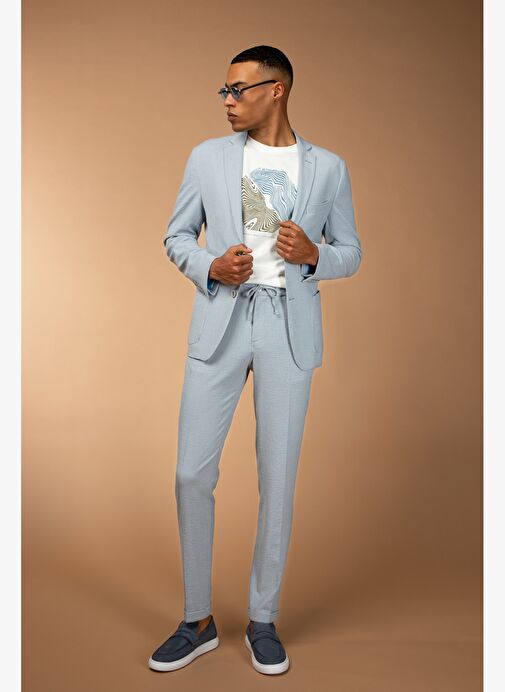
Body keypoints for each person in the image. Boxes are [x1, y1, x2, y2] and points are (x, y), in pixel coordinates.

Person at [149, 44, 362, 676]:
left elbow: (351, 250)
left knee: (278, 478)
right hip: (222, 317)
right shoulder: (207, 157)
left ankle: (263, 619)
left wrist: (315, 255)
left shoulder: (328, 168)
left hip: (288, 327)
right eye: (224, 90)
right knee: (191, 473)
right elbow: (176, 235)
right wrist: (209, 265)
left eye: (238, 89)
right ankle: (197, 620)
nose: (227, 100)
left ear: (277, 90)